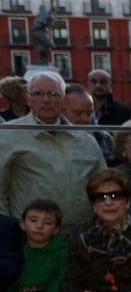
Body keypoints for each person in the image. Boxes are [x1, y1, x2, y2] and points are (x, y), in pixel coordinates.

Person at [0, 71, 107, 231]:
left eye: (52, 94)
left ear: (64, 100)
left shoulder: (85, 138)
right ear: (28, 99)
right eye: (37, 94)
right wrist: (9, 232)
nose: (45, 100)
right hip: (32, 239)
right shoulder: (8, 135)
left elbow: (104, 185)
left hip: (83, 236)